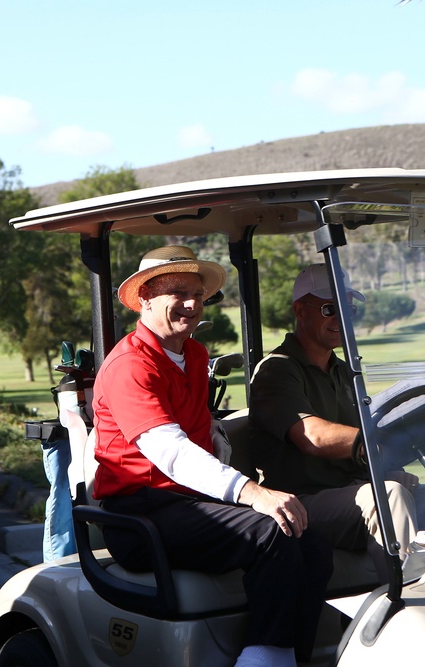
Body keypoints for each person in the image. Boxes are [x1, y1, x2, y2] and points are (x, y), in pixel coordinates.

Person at [92, 246, 332, 667]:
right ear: (145, 297)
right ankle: (263, 661)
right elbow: (170, 452)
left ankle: (293, 657)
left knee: (309, 539)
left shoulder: (194, 355)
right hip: (139, 515)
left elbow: (201, 434)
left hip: (186, 505)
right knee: (271, 531)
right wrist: (253, 492)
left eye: (198, 295)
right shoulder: (130, 366)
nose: (191, 304)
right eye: (177, 292)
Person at [248, 264, 425, 577]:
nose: (341, 318)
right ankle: (408, 600)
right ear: (300, 311)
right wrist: (382, 445)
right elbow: (313, 437)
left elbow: (370, 430)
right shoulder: (278, 370)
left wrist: (414, 442)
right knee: (388, 495)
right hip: (300, 503)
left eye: (347, 308)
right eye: (329, 308)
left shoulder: (343, 371)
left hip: (352, 491)